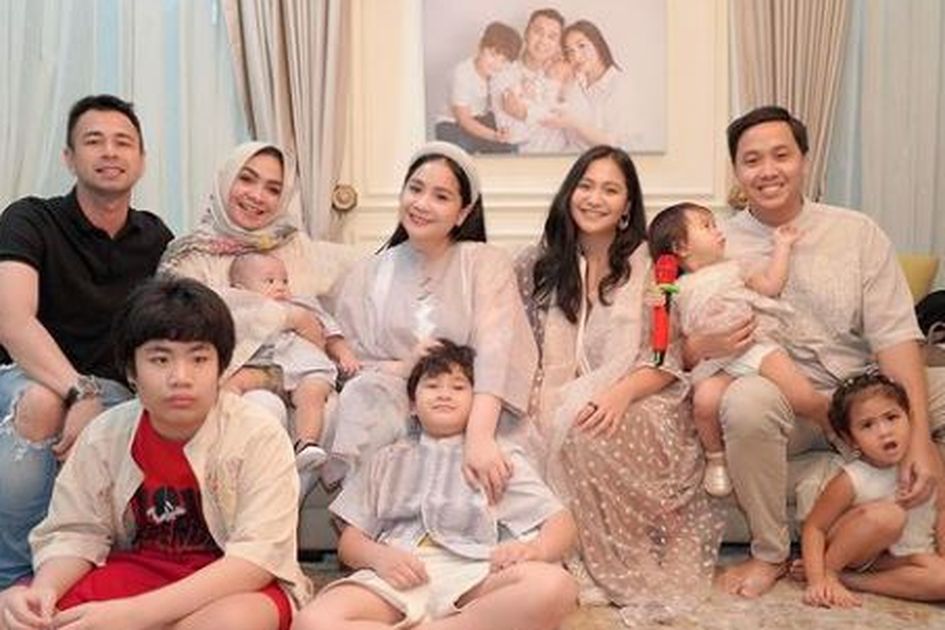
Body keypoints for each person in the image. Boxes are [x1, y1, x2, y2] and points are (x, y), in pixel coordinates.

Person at [690, 105, 945, 598]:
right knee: (745, 401)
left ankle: (919, 538)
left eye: (781, 155)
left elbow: (894, 336)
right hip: (783, 396)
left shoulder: (856, 232)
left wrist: (916, 435)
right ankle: (769, 552)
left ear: (804, 160)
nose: (768, 170)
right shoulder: (718, 244)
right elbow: (680, 329)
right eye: (752, 160)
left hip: (864, 387)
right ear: (736, 171)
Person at [0, 277, 311, 630]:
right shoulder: (105, 435)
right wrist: (45, 591)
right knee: (17, 614)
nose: (180, 377)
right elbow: (75, 531)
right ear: (131, 370)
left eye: (199, 359)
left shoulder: (258, 435)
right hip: (139, 572)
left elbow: (255, 560)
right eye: (160, 359)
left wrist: (133, 616)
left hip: (232, 582)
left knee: (230, 622)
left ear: (221, 368)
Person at [516, 145, 722, 624]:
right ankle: (571, 551)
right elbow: (516, 347)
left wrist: (618, 393)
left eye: (610, 190)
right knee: (546, 426)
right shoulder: (538, 265)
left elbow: (665, 357)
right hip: (555, 392)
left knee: (593, 429)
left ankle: (630, 556)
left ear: (627, 205)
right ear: (570, 193)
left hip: (644, 389)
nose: (595, 198)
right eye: (586, 186)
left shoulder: (653, 265)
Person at [0, 94, 173, 588]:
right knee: (41, 401)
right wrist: (80, 391)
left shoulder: (156, 237)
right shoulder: (30, 219)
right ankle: (13, 578)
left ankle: (105, 572)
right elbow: (12, 321)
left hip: (116, 389)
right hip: (29, 376)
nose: (110, 152)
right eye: (94, 141)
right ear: (69, 157)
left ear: (141, 160)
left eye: (123, 142)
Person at [293, 340, 577, 630]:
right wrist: (380, 558)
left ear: (476, 402)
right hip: (398, 574)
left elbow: (560, 521)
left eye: (458, 387)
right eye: (432, 385)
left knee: (555, 586)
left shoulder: (495, 457)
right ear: (412, 405)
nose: (444, 394)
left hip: (475, 574)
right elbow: (350, 543)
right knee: (311, 622)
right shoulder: (386, 460)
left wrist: (537, 550)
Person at [326, 140, 537, 502]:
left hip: (471, 405)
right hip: (394, 405)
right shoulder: (368, 273)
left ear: (463, 212)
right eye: (415, 189)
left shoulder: (485, 263)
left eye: (441, 196)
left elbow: (497, 355)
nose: (421, 204)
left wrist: (479, 436)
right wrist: (403, 367)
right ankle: (376, 523)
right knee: (364, 396)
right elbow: (348, 364)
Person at [160, 141, 358, 431]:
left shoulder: (292, 244)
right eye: (247, 179)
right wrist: (288, 316)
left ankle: (307, 458)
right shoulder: (188, 256)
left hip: (302, 373)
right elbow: (187, 323)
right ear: (226, 179)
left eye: (273, 189)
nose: (257, 196)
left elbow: (329, 304)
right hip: (229, 376)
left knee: (330, 407)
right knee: (261, 407)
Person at [647, 202, 832, 497]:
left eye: (714, 224)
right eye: (706, 226)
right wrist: (657, 306)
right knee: (704, 404)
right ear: (681, 247)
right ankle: (716, 460)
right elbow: (671, 341)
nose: (717, 230)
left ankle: (832, 425)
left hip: (754, 347)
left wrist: (782, 246)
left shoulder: (733, 267)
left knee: (802, 396)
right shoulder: (676, 289)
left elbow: (771, 285)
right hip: (714, 363)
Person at [799, 372, 944, 607]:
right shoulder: (852, 478)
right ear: (851, 439)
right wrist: (817, 580)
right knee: (890, 516)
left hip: (899, 560)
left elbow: (942, 510)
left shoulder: (928, 461)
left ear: (909, 418)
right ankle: (831, 573)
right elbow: (814, 527)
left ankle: (851, 580)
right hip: (859, 554)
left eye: (892, 417)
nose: (884, 431)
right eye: (867, 425)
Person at [226, 252, 359, 471]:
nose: (280, 287)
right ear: (240, 291)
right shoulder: (240, 312)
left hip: (306, 368)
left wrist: (344, 354)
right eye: (270, 281)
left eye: (284, 281)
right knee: (233, 381)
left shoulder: (302, 305)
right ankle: (223, 430)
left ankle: (307, 442)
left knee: (313, 393)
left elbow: (331, 333)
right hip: (265, 369)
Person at [544, 20, 633, 151]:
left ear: (598, 44)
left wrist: (573, 123)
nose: (576, 56)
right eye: (570, 51)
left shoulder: (620, 85)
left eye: (582, 46)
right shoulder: (575, 78)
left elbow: (615, 144)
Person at [433, 22, 522, 154]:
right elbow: (464, 119)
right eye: (493, 54)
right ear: (481, 47)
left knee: (509, 144)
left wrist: (502, 131)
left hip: (480, 118)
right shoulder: (462, 74)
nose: (497, 64)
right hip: (453, 123)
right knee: (461, 148)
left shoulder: (500, 72)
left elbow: (510, 92)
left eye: (503, 61)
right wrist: (493, 136)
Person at [490, 8, 570, 153]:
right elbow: (512, 134)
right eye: (538, 32)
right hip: (521, 160)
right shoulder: (503, 73)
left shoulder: (564, 73)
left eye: (552, 37)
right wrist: (549, 114)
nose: (543, 41)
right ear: (526, 34)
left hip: (560, 159)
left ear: (558, 45)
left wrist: (524, 113)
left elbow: (570, 119)